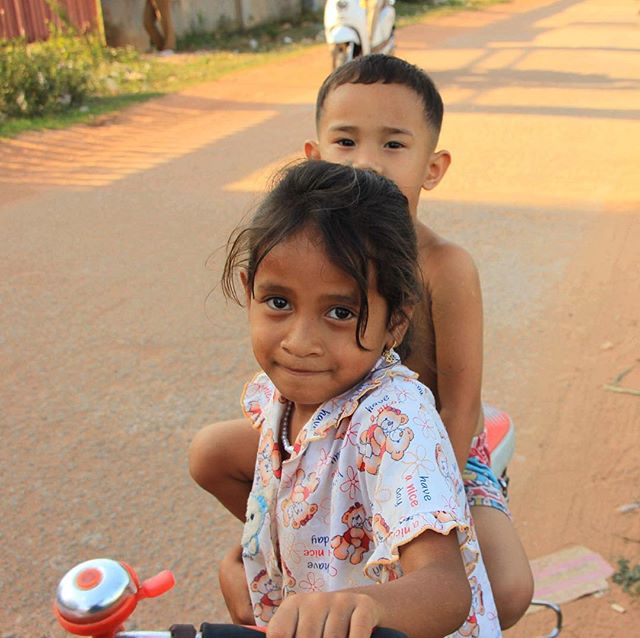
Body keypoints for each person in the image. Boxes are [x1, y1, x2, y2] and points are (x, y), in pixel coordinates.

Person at [190, 54, 534, 628]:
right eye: (346, 142)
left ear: (433, 165)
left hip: (428, 441)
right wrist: (261, 540)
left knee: (506, 587)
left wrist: (408, 500)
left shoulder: (445, 267)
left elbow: (461, 404)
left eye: (393, 145)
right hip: (335, 420)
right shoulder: (302, 257)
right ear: (315, 155)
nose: (368, 162)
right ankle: (306, 549)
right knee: (209, 453)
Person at [221, 159, 501, 637]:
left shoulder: (394, 422)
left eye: (340, 311)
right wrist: (250, 554)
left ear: (396, 321)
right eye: (279, 302)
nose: (299, 341)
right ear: (250, 292)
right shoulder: (279, 394)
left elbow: (445, 587)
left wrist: (359, 606)